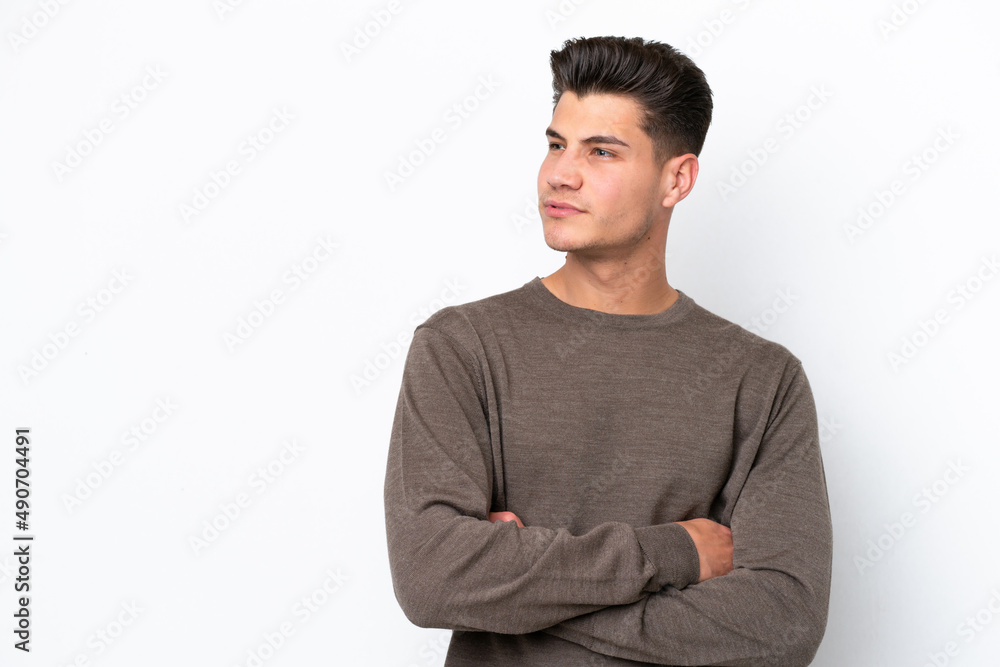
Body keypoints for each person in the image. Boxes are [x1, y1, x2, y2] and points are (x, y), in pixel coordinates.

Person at [384, 35, 833, 666]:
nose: (560, 174)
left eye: (601, 151)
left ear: (677, 178)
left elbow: (783, 623)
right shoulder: (460, 347)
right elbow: (432, 577)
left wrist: (520, 595)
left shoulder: (762, 379)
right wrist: (676, 553)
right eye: (555, 144)